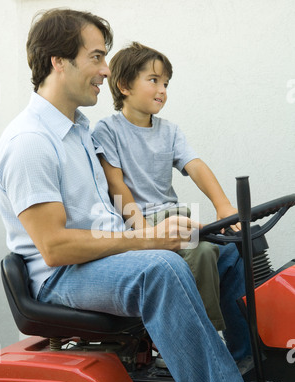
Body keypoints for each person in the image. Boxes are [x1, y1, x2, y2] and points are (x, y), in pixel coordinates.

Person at [0, 8, 292, 382]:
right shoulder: (31, 143)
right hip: (62, 276)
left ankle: (247, 372)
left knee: (226, 249)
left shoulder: (77, 131)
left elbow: (108, 216)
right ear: (58, 60)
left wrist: (171, 228)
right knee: (161, 269)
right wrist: (150, 238)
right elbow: (54, 248)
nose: (104, 70)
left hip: (99, 258)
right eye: (96, 57)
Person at [93, 42, 249, 362]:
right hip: (141, 220)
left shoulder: (170, 131)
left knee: (233, 250)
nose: (162, 90)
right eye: (154, 80)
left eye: (166, 84)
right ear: (124, 85)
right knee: (202, 251)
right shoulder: (108, 130)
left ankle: (244, 352)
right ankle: (198, 344)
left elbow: (196, 166)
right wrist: (140, 230)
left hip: (175, 215)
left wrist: (223, 206)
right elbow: (115, 183)